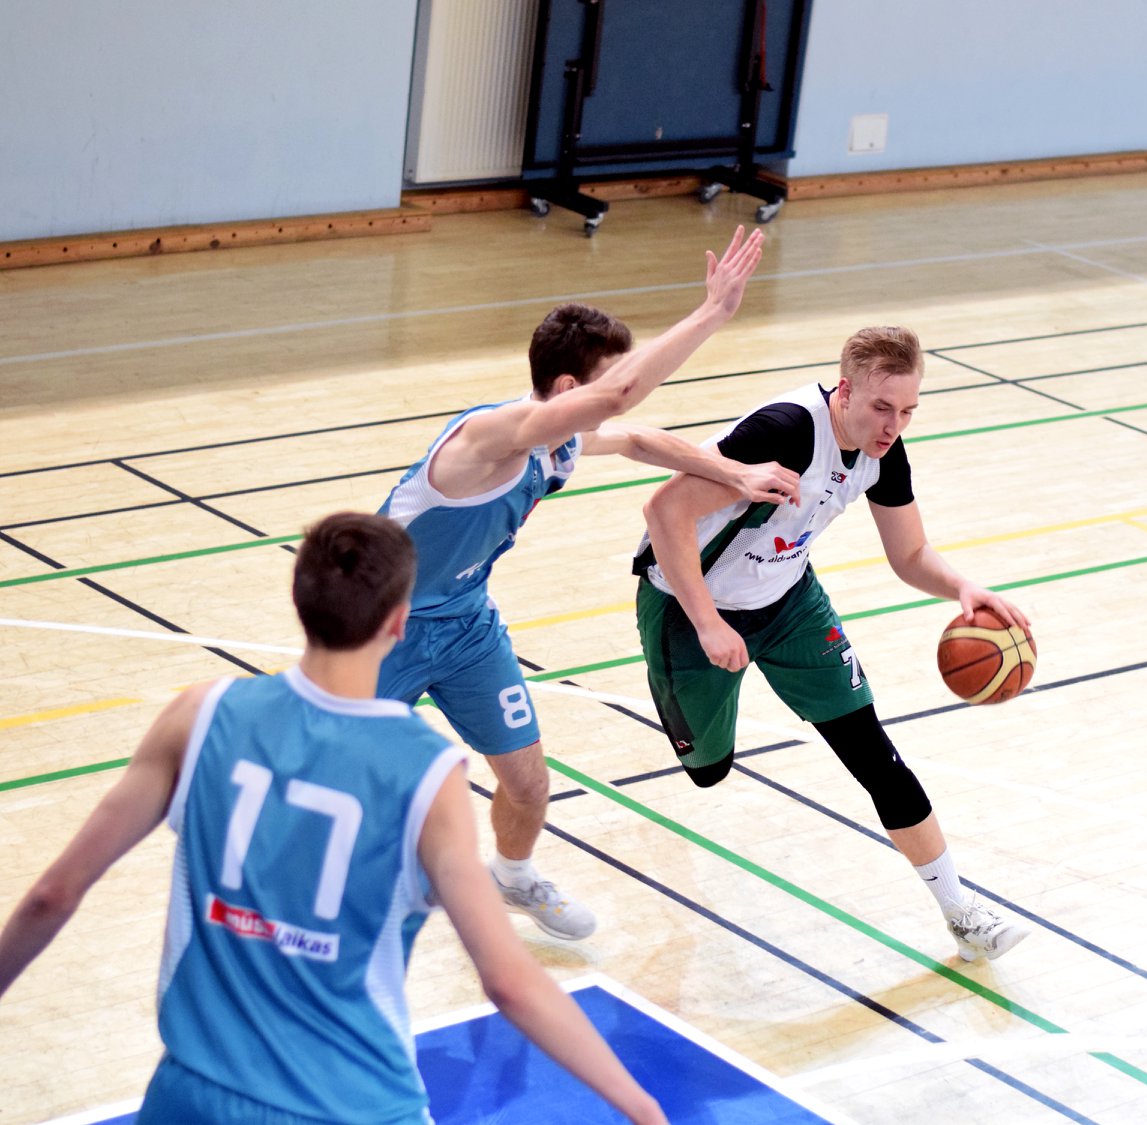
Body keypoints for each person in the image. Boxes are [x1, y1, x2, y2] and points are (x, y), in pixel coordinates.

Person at [0, 513, 666, 1125]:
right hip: (350, 1103)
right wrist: (642, 1107)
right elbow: (509, 981)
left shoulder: (198, 714)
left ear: (299, 601)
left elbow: (53, 894)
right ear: (399, 621)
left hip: (190, 1096)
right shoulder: (425, 769)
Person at [377, 227, 797, 942]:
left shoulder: (557, 440)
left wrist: (734, 473)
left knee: (528, 783)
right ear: (574, 389)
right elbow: (623, 403)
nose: (621, 391)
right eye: (611, 380)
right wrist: (711, 313)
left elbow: (636, 438)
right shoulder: (490, 436)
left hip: (466, 624)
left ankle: (512, 877)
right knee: (333, 779)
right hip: (378, 626)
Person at [632, 326, 1031, 963]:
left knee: (874, 753)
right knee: (708, 771)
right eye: (882, 407)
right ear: (844, 391)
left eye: (908, 411)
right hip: (688, 605)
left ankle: (961, 912)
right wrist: (708, 623)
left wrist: (962, 586)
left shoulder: (882, 451)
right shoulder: (786, 433)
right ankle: (692, 715)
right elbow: (663, 512)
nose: (894, 426)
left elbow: (910, 553)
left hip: (789, 603)